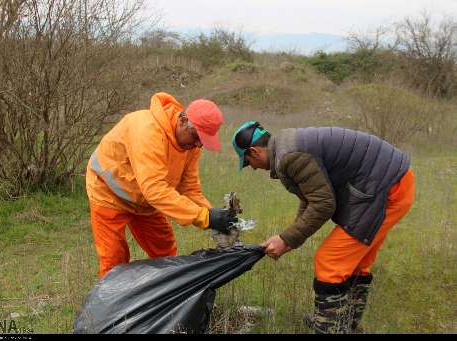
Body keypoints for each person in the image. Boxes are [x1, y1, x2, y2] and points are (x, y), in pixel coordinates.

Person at [231, 122, 415, 334]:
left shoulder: (289, 156)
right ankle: (344, 325)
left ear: (254, 151)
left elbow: (324, 205)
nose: (252, 168)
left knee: (330, 262)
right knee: (355, 263)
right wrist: (289, 239)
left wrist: (286, 239)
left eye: (248, 162)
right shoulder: (286, 145)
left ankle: (331, 328)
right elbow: (312, 196)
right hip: (393, 180)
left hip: (385, 189)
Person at [86, 92, 236, 278]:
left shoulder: (190, 146)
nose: (198, 145)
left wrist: (213, 216)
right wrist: (203, 217)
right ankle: (111, 305)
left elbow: (189, 189)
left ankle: (165, 301)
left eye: (202, 142)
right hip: (108, 194)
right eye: (196, 137)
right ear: (183, 122)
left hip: (145, 201)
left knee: (166, 254)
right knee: (114, 261)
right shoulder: (148, 131)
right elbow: (155, 190)